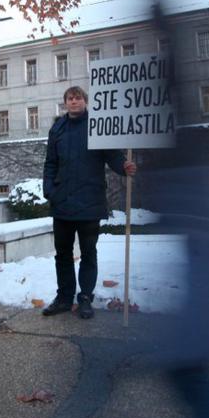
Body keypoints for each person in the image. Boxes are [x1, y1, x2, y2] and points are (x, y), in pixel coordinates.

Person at [41, 86, 137, 319]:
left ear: (85, 101)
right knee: (62, 254)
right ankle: (64, 297)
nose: (74, 102)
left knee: (88, 253)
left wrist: (124, 167)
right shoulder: (58, 128)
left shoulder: (98, 126)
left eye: (78, 98)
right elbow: (50, 163)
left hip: (90, 201)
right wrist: (50, 191)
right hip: (62, 202)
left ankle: (85, 298)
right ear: (65, 103)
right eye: (70, 99)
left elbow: (113, 157)